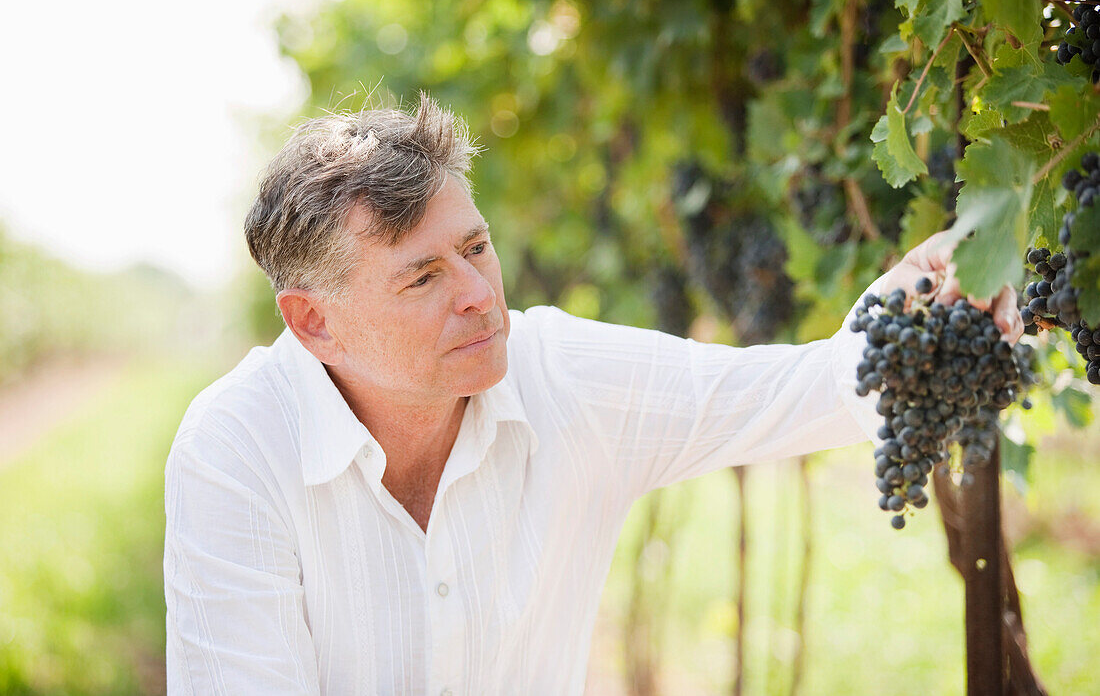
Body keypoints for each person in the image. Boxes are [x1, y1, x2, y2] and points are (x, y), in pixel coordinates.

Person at [163, 94, 1022, 695]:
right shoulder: (237, 449)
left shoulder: (565, 376)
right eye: (422, 275)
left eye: (476, 246)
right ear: (314, 322)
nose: (476, 292)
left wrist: (933, 284)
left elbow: (817, 388)